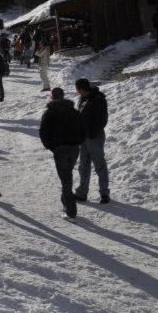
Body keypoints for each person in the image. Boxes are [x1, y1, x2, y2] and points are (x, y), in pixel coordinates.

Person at [39, 88, 88, 220]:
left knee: (66, 179)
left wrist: (51, 147)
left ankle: (70, 211)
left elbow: (43, 133)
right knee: (67, 176)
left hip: (60, 149)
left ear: (52, 97)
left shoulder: (49, 113)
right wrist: (78, 141)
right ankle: (65, 201)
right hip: (74, 149)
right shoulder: (74, 112)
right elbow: (84, 129)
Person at [75, 79, 110, 204]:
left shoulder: (98, 99)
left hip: (94, 137)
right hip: (84, 138)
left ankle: (104, 193)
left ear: (83, 88)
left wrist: (92, 133)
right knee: (83, 166)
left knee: (100, 165)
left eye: (78, 89)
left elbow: (103, 119)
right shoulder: (83, 98)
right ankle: (82, 193)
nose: (77, 91)